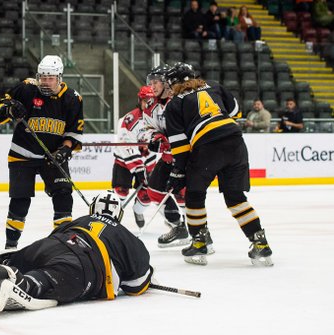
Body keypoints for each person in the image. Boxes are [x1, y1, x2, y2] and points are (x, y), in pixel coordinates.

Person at [0, 190, 154, 317]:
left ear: (93, 209)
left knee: (25, 259)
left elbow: (53, 237)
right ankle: (15, 282)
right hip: (83, 263)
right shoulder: (128, 238)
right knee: (44, 279)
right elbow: (137, 286)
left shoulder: (79, 221)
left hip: (52, 243)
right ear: (119, 214)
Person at [163, 62, 273, 267]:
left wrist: (179, 170)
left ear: (176, 83)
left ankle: (199, 242)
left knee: (194, 195)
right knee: (236, 197)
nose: (169, 89)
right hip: (235, 141)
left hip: (207, 146)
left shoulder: (174, 104)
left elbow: (179, 144)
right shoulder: (214, 85)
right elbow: (236, 112)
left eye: (170, 85)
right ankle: (260, 243)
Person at [0, 55, 84, 250]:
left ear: (60, 78)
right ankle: (10, 246)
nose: (45, 82)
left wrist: (65, 150)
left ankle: (63, 243)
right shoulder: (26, 88)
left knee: (63, 194)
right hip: (22, 154)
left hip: (52, 155)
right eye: (42, 77)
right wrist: (9, 110)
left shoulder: (73, 99)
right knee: (20, 199)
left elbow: (74, 132)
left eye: (50, 78)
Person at [139, 64, 190, 248]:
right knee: (154, 191)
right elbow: (145, 129)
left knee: (189, 195)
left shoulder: (182, 101)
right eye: (150, 82)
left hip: (186, 157)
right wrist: (155, 137)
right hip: (168, 157)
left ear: (167, 83)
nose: (152, 86)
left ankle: (199, 231)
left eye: (156, 82)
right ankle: (179, 227)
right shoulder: (152, 106)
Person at [111, 85, 156, 229]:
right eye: (145, 101)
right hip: (125, 162)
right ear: (140, 100)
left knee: (146, 196)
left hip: (148, 163)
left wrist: (148, 167)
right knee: (120, 192)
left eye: (151, 101)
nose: (148, 104)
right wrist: (138, 168)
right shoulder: (130, 119)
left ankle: (138, 211)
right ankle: (112, 219)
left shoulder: (158, 118)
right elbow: (126, 145)